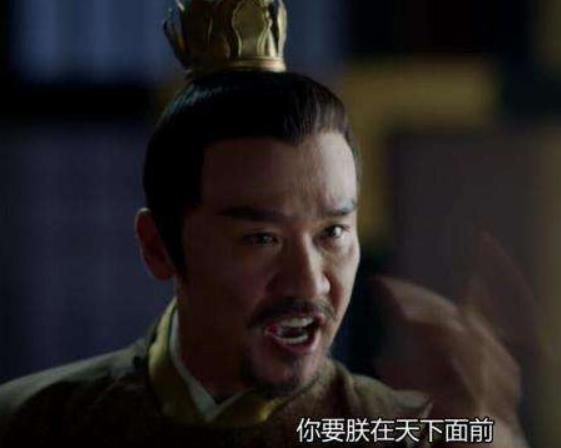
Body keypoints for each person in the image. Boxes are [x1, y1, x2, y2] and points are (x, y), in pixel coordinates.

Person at [0, 0, 528, 446]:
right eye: (262, 238)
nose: (310, 283)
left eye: (332, 233)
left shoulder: (391, 430)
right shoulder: (33, 423)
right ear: (158, 246)